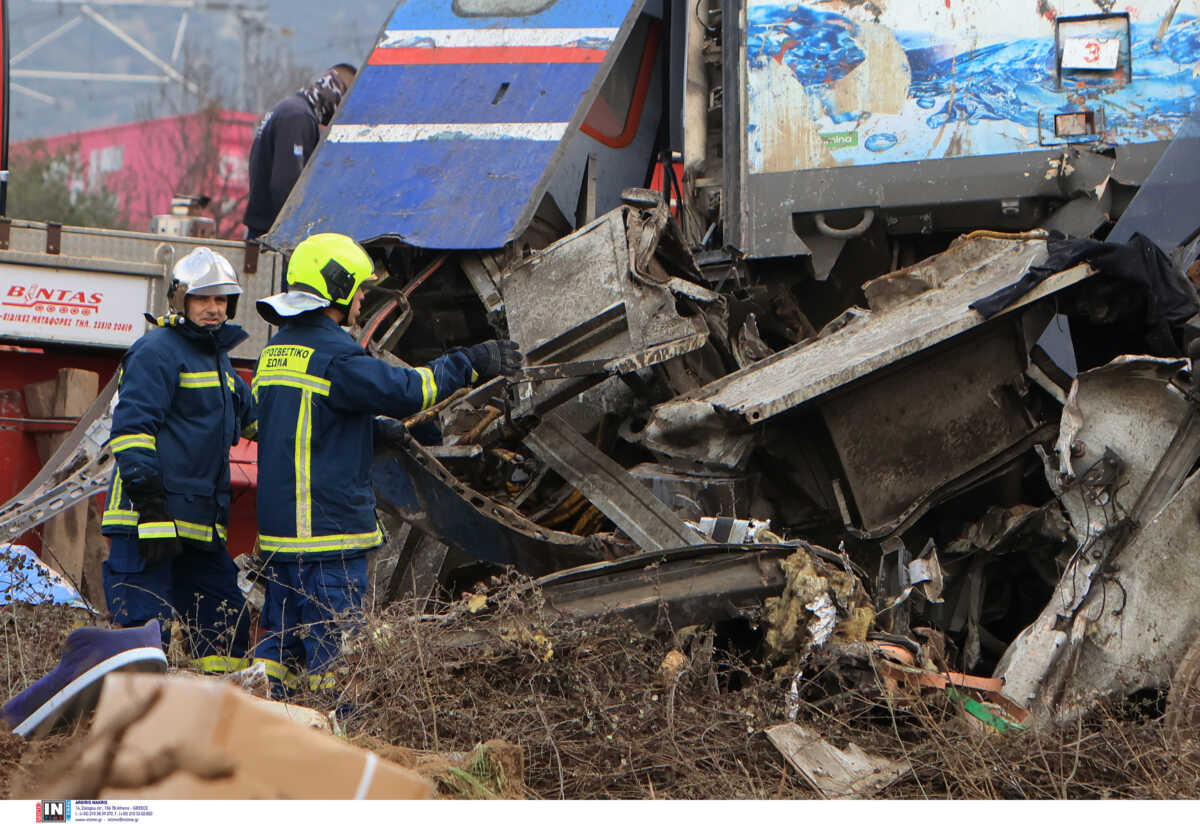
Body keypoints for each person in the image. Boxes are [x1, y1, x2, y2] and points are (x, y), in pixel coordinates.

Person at [249, 233, 521, 691]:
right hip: (330, 542)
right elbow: (410, 392)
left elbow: (289, 425)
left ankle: (268, 740)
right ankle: (337, 746)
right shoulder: (337, 356)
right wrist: (473, 361)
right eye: (357, 290)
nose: (361, 302)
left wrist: (366, 430)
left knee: (279, 659)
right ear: (334, 289)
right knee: (336, 670)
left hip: (282, 542)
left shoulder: (275, 354)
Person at [101, 248, 257, 673]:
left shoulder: (220, 363)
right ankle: (133, 731)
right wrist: (151, 511)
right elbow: (132, 432)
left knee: (225, 631)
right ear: (180, 300)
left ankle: (212, 730)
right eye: (204, 299)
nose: (214, 309)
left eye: (222, 300)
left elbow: (256, 422)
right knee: (143, 640)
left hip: (199, 530)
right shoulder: (157, 351)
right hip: (147, 524)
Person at [242, 64, 357, 240]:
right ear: (337, 93)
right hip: (272, 240)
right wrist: (297, 236)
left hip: (263, 234)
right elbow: (287, 185)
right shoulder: (298, 116)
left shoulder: (290, 109)